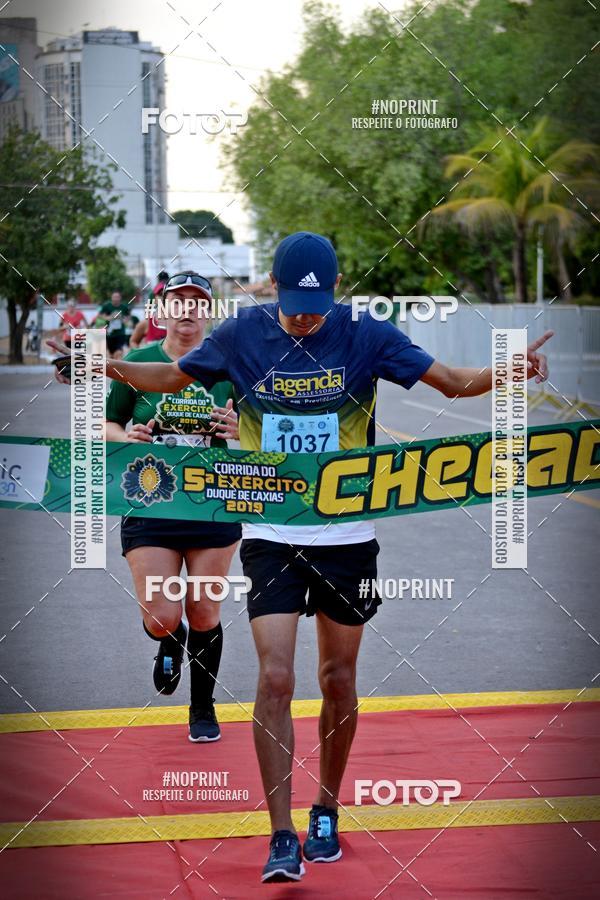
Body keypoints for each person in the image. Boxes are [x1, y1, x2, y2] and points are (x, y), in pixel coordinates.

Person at [51, 232, 553, 883]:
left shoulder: (367, 334)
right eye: (292, 306)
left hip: (348, 537)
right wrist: (103, 367)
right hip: (271, 532)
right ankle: (281, 833)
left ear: (335, 290)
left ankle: (326, 810)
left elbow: (453, 384)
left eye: (314, 307)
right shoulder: (242, 335)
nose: (303, 318)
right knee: (277, 677)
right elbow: (173, 375)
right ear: (274, 289)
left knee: (338, 681)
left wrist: (509, 371)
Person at [103, 272, 241, 742]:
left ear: (208, 311)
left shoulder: (230, 366)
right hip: (150, 503)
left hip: (213, 502)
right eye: (177, 302)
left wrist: (239, 428)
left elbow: (264, 426)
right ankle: (170, 640)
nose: (187, 311)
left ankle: (202, 708)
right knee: (162, 615)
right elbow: (107, 423)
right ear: (161, 311)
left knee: (204, 612)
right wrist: (129, 435)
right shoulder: (136, 363)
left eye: (197, 302)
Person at [129, 271, 170, 347]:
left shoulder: (180, 322)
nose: (163, 297)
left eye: (166, 294)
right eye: (160, 295)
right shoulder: (154, 292)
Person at [92, 291, 131, 358]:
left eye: (117, 297)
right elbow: (99, 315)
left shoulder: (124, 307)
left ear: (120, 298)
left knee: (119, 352)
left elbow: (128, 317)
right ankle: (113, 365)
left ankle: (117, 365)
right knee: (111, 354)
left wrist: (122, 319)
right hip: (110, 334)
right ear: (112, 298)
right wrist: (109, 318)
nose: (116, 299)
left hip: (120, 333)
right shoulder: (107, 306)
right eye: (114, 297)